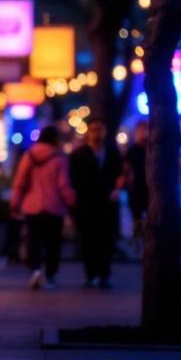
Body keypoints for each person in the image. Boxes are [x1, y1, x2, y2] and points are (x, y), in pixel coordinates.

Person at [10, 125, 76, 290]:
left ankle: (35, 270)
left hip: (32, 206)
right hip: (54, 207)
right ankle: (51, 276)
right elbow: (64, 185)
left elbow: (20, 182)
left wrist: (15, 203)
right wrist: (72, 201)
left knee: (34, 240)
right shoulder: (60, 158)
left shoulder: (29, 155)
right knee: (53, 243)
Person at [70, 117, 124, 288]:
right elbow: (73, 179)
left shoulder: (112, 152)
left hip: (107, 203)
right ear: (88, 132)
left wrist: (117, 189)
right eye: (93, 130)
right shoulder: (79, 154)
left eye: (99, 130)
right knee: (88, 241)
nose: (96, 134)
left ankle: (104, 274)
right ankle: (91, 274)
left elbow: (120, 173)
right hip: (87, 203)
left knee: (105, 240)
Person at [122, 121, 149, 247]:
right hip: (136, 187)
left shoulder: (153, 149)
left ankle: (145, 238)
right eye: (140, 130)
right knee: (136, 215)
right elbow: (126, 168)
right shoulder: (133, 150)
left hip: (150, 188)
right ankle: (137, 238)